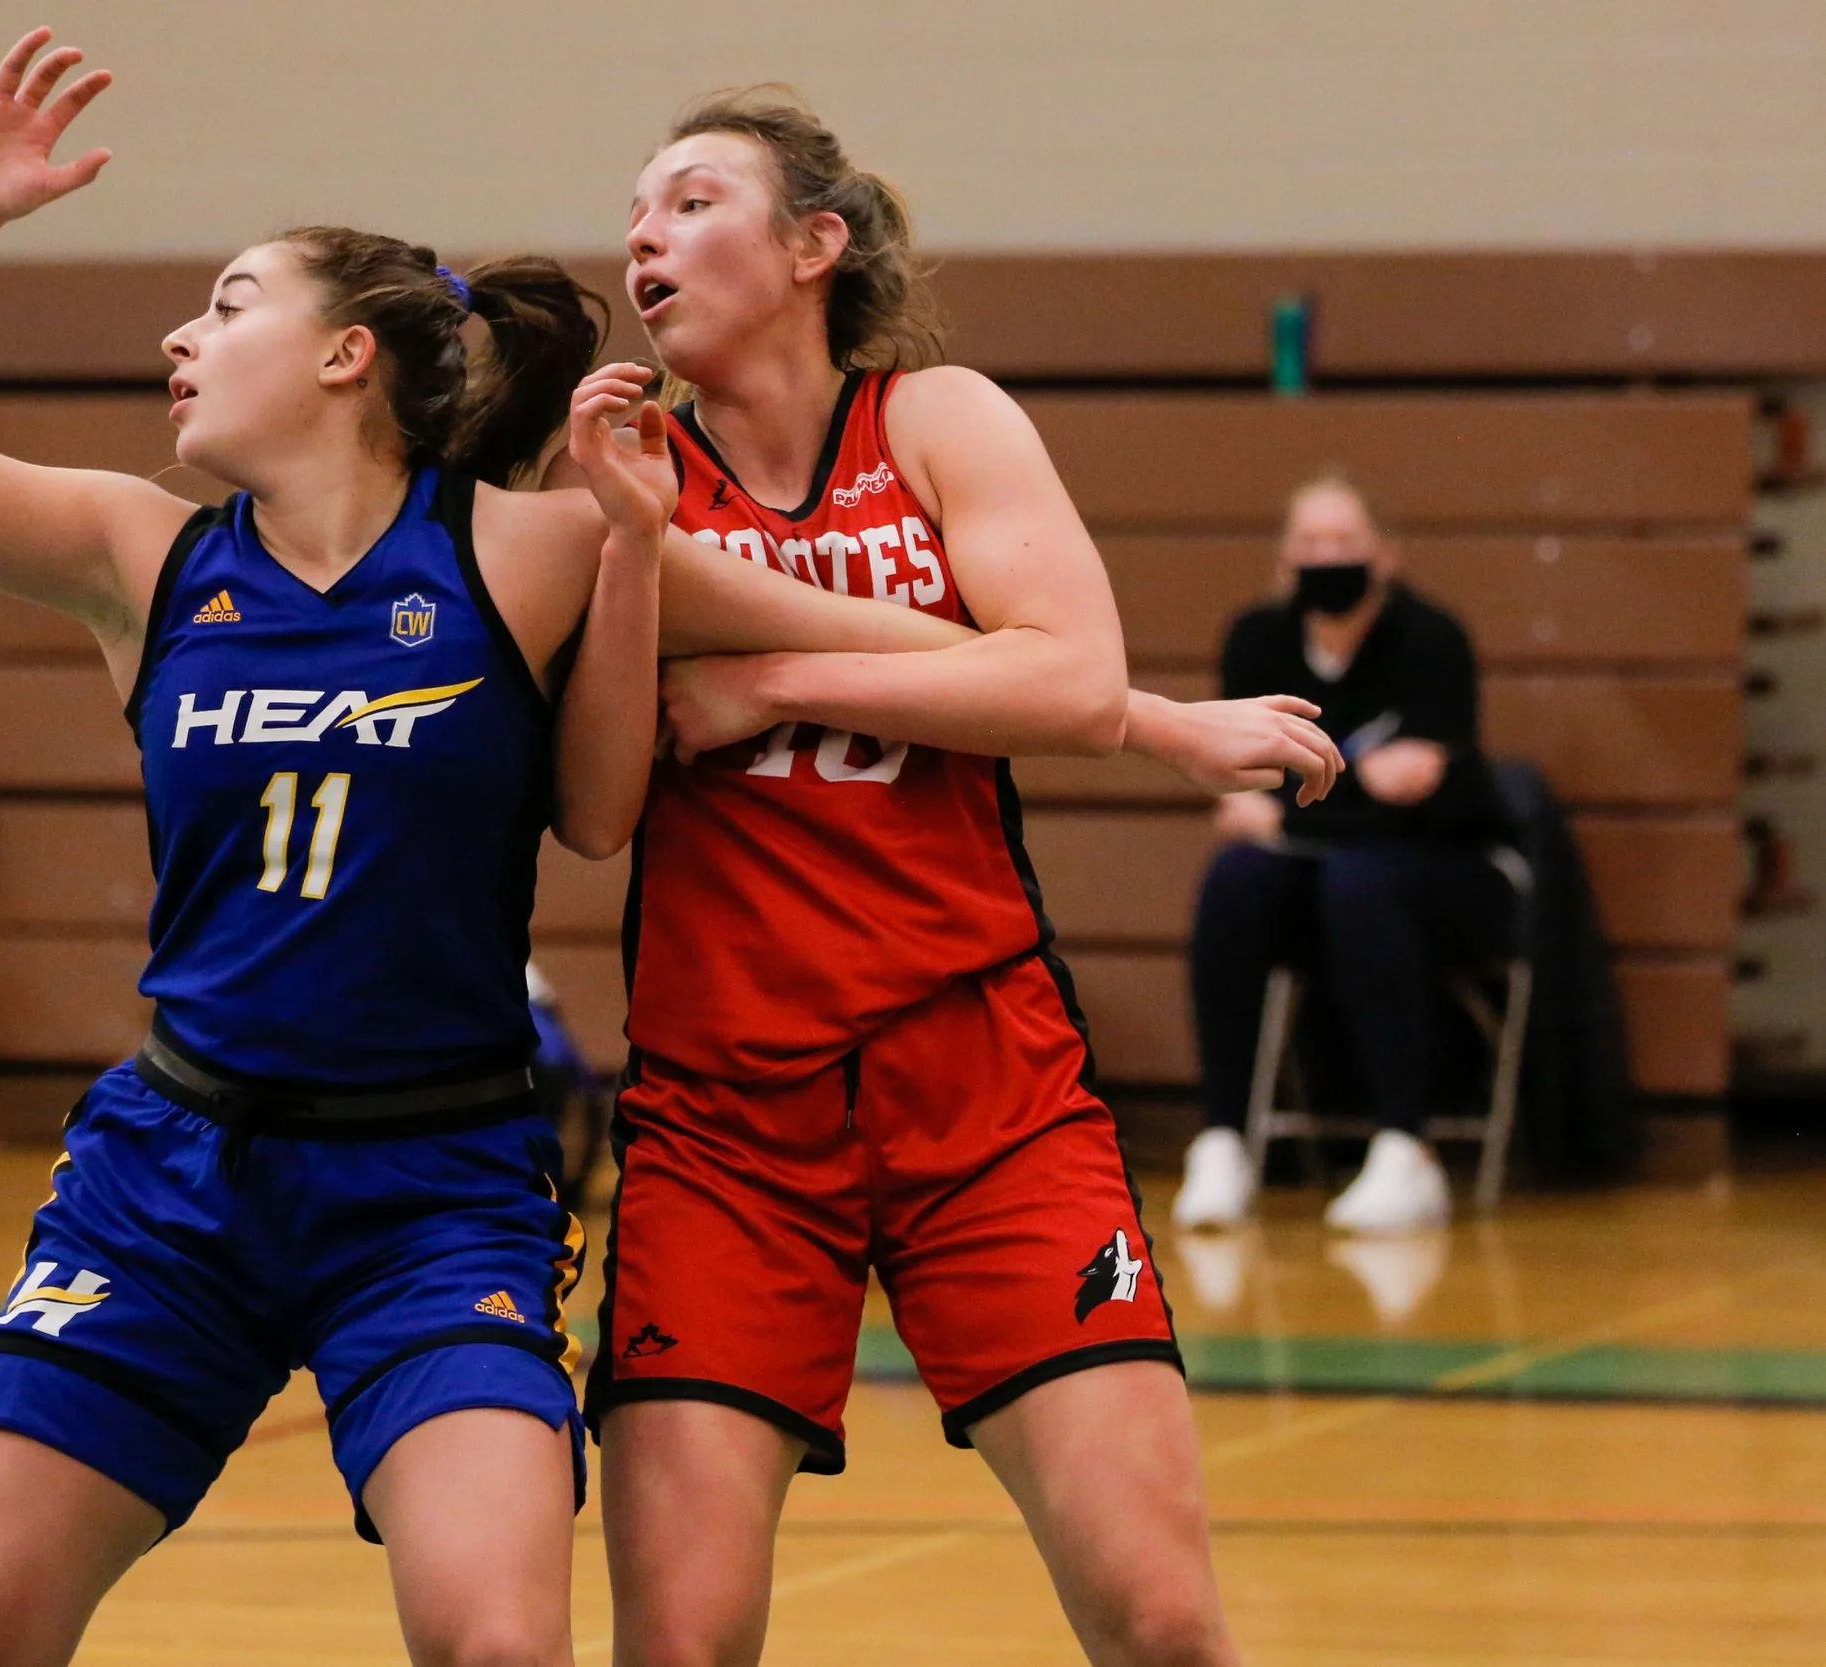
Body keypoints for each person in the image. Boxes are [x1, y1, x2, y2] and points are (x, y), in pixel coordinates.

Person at [0, 31, 1000, 1667]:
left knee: (499, 1647)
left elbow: (889, 641)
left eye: (225, 304)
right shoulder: (145, 555)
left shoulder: (537, 544)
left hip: (435, 1192)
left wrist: (1144, 712)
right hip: (173, 1178)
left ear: (348, 356)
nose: (179, 336)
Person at [565, 90, 1344, 1667]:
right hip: (726, 1115)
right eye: (636, 211)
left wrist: (779, 682)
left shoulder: (936, 418)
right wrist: (636, 553)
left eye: (695, 200)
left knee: (1163, 1618)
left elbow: (1062, 685)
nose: (646, 233)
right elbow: (599, 804)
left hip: (983, 1079)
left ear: (813, 244)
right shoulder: (625, 483)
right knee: (685, 1643)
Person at [1172, 471, 1518, 1236]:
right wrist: (1363, 786)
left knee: (1360, 881)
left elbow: (1421, 794)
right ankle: (1225, 1137)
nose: (1327, 557)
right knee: (1235, 878)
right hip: (1328, 873)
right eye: (1310, 543)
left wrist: (1298, 808)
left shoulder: (1433, 639)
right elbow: (1242, 798)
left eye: (1344, 542)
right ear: (1282, 562)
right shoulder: (1256, 640)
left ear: (1386, 556)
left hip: (1450, 869)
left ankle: (1406, 1148)